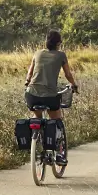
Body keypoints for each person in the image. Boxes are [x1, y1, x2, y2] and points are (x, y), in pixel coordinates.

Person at [25, 30, 78, 162]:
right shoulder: (61, 55)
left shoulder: (37, 53)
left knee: (37, 117)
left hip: (31, 94)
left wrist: (27, 83)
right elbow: (68, 74)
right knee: (57, 120)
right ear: (59, 43)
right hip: (50, 96)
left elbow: (29, 73)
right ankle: (59, 153)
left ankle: (36, 139)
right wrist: (74, 84)